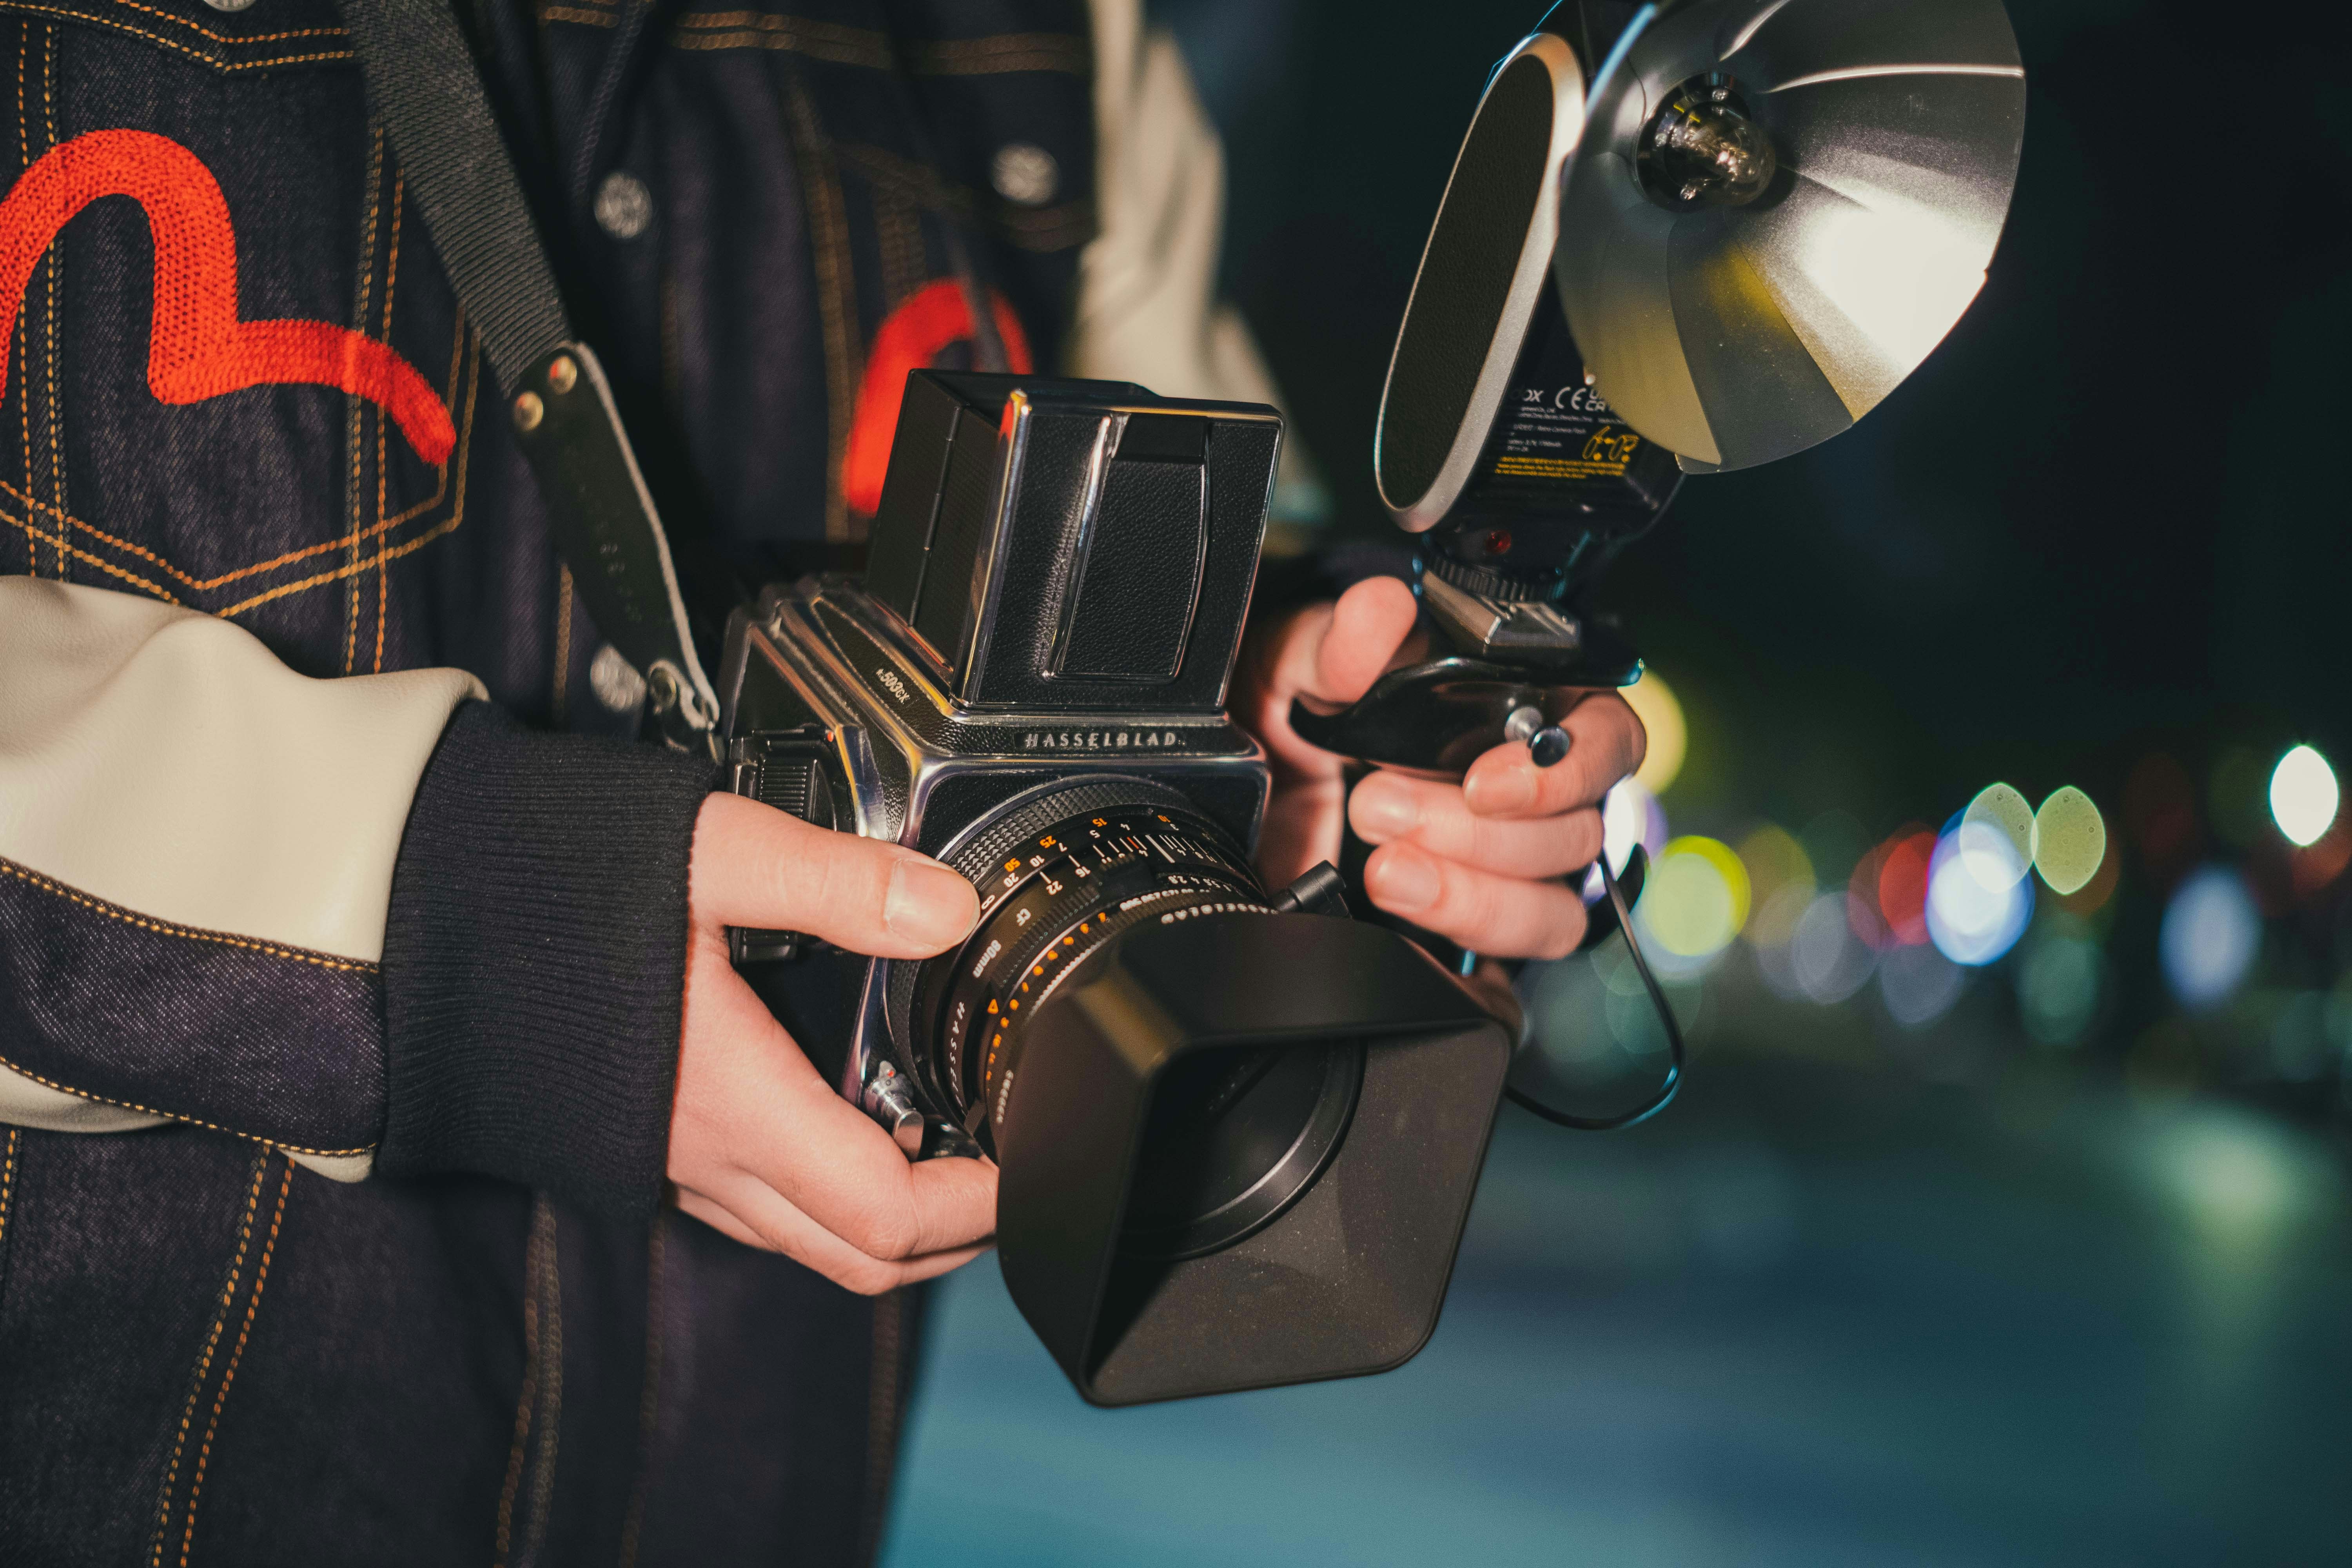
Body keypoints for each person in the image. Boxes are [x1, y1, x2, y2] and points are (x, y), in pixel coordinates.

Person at [0, 0, 1642, 1559]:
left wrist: (1302, 718)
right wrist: (485, 929)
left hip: (760, 1472)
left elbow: (1198, 522)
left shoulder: (1062, 36)